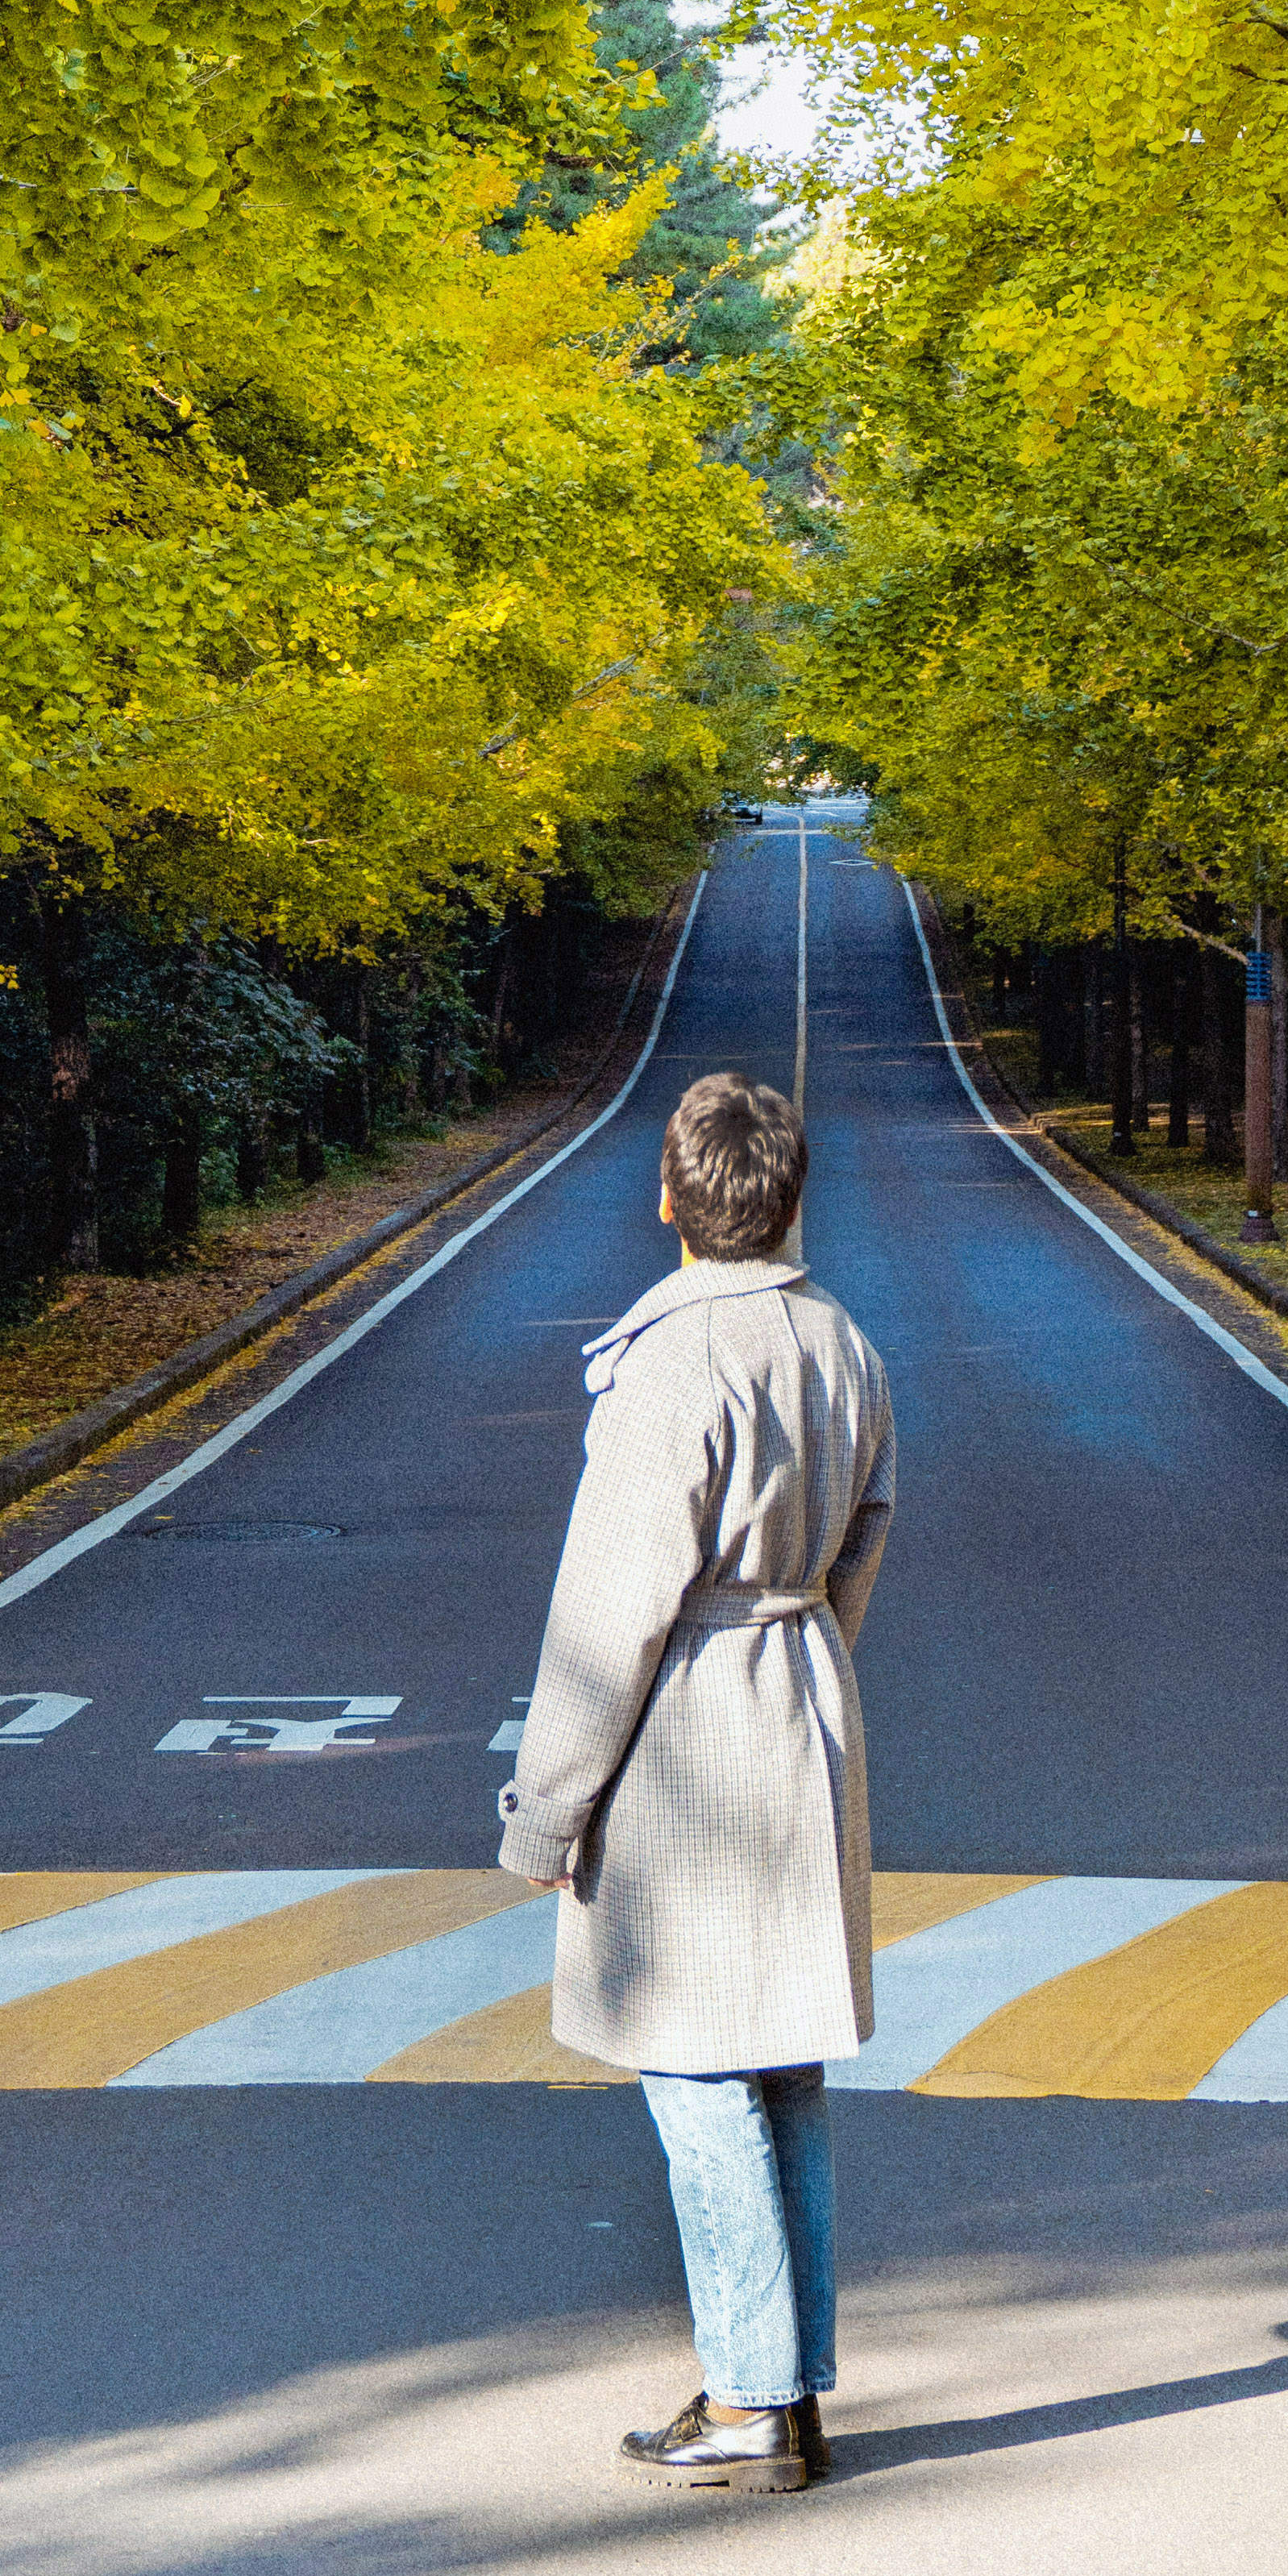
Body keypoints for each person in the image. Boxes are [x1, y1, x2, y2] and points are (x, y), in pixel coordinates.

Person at [497, 1057, 896, 2503]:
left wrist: (548, 1810)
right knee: (781, 2061)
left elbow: (609, 1612)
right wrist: (808, 1662)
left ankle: (747, 2396)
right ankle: (788, 2377)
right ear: (789, 1201)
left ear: (669, 1200)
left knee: (693, 2064)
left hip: (690, 1723)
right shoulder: (841, 1340)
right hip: (803, 1692)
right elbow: (867, 1532)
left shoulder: (670, 1364)